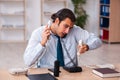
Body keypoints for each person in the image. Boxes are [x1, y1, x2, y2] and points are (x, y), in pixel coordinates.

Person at [23, 8, 102, 68]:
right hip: (47, 73)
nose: (67, 31)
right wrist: (42, 44)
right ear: (57, 21)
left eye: (70, 28)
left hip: (70, 73)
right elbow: (27, 62)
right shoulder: (38, 33)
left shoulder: (74, 30)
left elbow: (97, 40)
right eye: (66, 26)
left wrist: (87, 46)